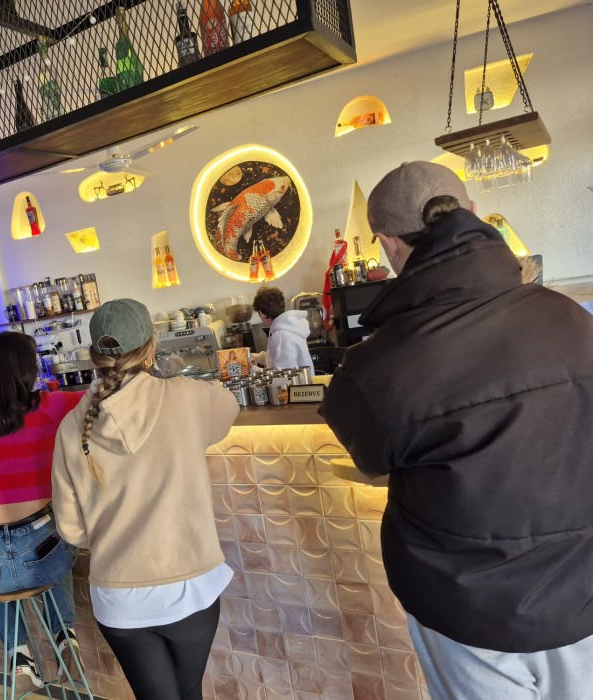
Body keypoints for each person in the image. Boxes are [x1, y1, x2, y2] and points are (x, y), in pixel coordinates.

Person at [319, 161, 593, 700]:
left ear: (386, 243)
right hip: (583, 593)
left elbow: (372, 460)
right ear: (472, 213)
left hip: (465, 607)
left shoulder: (373, 366)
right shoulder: (574, 319)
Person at [51, 299, 240, 700]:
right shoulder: (188, 395)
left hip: (118, 596)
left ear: (94, 355)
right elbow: (229, 408)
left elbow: (71, 529)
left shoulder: (71, 426)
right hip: (189, 586)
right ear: (151, 347)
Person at [0, 331, 83, 692]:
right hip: (42, 549)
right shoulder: (52, 406)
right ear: (26, 370)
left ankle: (20, 659)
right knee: (56, 534)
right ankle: (65, 637)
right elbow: (106, 395)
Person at [251, 286, 313, 376]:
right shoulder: (288, 327)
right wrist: (253, 356)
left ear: (262, 314)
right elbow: (274, 357)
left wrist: (253, 369)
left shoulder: (280, 336)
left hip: (296, 385)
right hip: (305, 383)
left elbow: (283, 377)